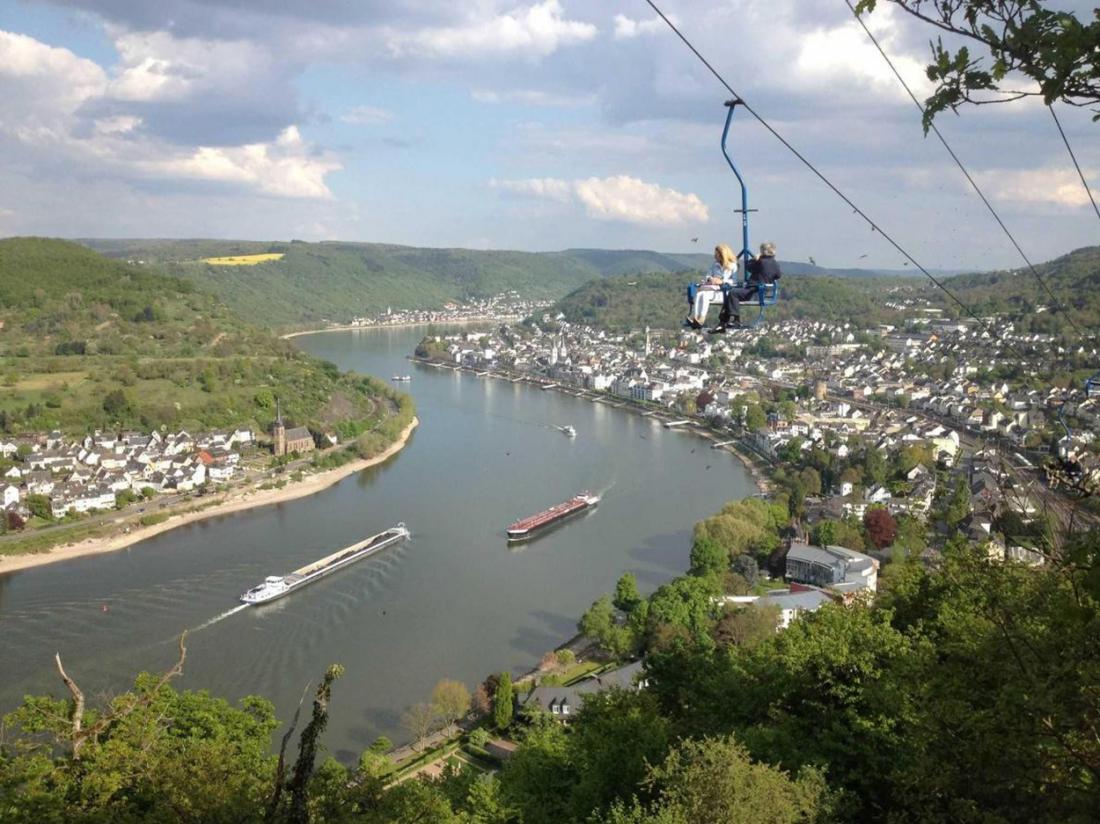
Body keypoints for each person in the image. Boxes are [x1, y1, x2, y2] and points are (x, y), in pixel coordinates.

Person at [716, 241, 782, 331]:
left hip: (753, 291)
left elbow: (748, 267)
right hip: (762, 292)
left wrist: (755, 258)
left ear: (763, 251)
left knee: (733, 293)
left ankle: (734, 320)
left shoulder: (761, 262)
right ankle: (724, 321)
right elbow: (778, 275)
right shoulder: (775, 264)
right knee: (733, 294)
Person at [685, 244, 735, 329]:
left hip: (723, 292)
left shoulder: (732, 266)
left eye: (717, 255)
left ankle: (701, 319)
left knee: (704, 295)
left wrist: (721, 281)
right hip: (713, 288)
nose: (716, 257)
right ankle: (696, 317)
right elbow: (708, 275)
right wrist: (710, 279)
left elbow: (733, 281)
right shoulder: (715, 265)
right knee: (699, 294)